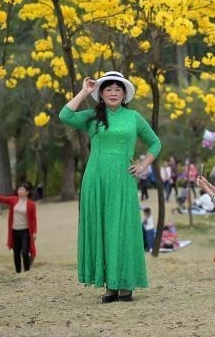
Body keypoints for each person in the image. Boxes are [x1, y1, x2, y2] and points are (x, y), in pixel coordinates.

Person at [59, 71, 161, 303]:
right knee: (102, 228)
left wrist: (143, 165)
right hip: (95, 179)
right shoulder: (93, 117)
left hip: (123, 181)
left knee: (121, 229)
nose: (113, 92)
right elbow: (65, 115)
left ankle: (124, 284)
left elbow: (155, 143)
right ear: (101, 94)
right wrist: (85, 91)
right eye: (108, 89)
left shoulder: (133, 117)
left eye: (118, 89)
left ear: (124, 94)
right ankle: (109, 286)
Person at [0, 182, 38, 273]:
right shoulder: (14, 200)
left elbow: (33, 219)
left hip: (25, 231)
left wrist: (34, 232)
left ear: (27, 192)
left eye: (22, 189)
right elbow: (2, 199)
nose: (19, 191)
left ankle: (27, 270)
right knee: (16, 253)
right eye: (19, 189)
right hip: (15, 231)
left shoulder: (31, 204)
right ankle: (18, 271)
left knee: (25, 252)